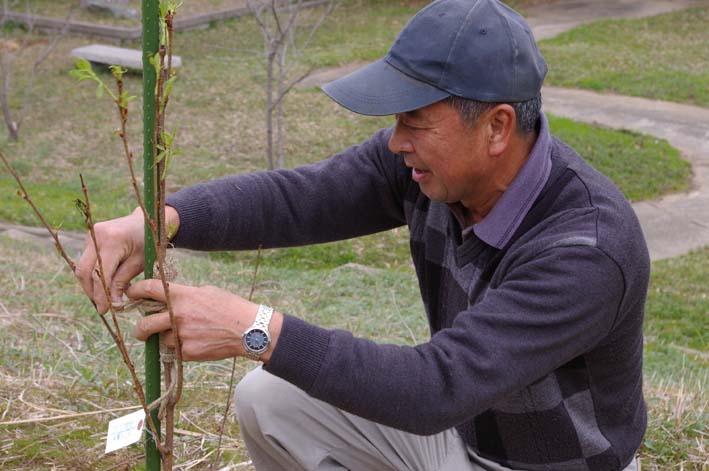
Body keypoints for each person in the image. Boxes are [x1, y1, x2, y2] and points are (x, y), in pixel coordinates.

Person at [76, 0, 650, 469]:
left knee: (280, 366)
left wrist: (253, 329)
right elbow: (300, 199)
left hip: (549, 466)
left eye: (413, 122)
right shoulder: (428, 170)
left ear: (497, 127)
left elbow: (435, 388)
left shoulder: (587, 248)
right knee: (268, 400)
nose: (396, 142)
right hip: (461, 435)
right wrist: (157, 221)